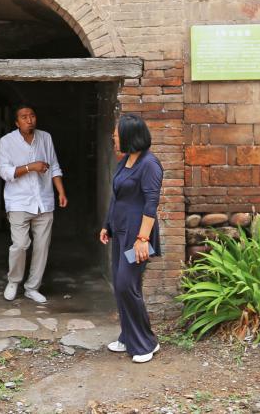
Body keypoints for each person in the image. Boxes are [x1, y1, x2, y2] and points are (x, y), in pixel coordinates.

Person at [98, 113, 162, 363]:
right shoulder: (126, 160)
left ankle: (146, 343)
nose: (113, 138)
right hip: (121, 232)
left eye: (116, 134)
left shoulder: (150, 164)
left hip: (138, 236)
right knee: (120, 284)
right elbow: (117, 196)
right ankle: (128, 337)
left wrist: (143, 239)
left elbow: (151, 204)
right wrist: (107, 224)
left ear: (129, 136)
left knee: (128, 285)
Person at [0, 102, 67, 304]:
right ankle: (13, 281)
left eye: (32, 116)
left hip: (44, 200)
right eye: (24, 117)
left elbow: (54, 166)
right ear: (16, 122)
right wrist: (31, 167)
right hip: (18, 201)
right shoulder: (6, 141)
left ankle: (32, 287)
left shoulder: (45, 138)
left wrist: (61, 192)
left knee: (42, 247)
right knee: (19, 245)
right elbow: (5, 172)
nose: (29, 120)